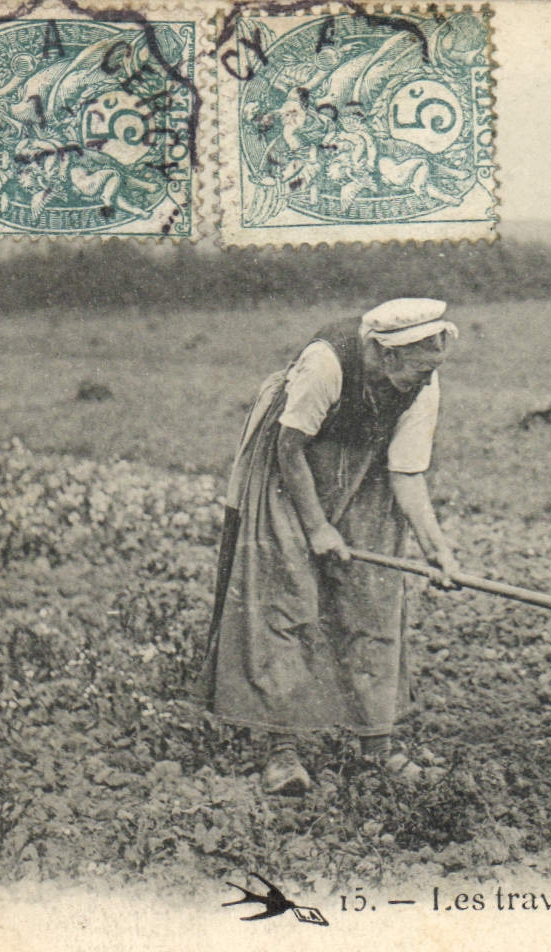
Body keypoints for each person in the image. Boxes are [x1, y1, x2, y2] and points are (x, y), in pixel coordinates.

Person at [198, 298, 463, 795]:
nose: (426, 381)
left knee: (373, 597)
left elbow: (407, 472)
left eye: (433, 370)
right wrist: (318, 527)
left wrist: (436, 549)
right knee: (286, 597)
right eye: (418, 370)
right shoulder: (326, 363)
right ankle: (282, 752)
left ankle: (378, 747)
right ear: (385, 355)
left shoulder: (421, 384)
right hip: (289, 470)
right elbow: (289, 448)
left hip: (365, 473)